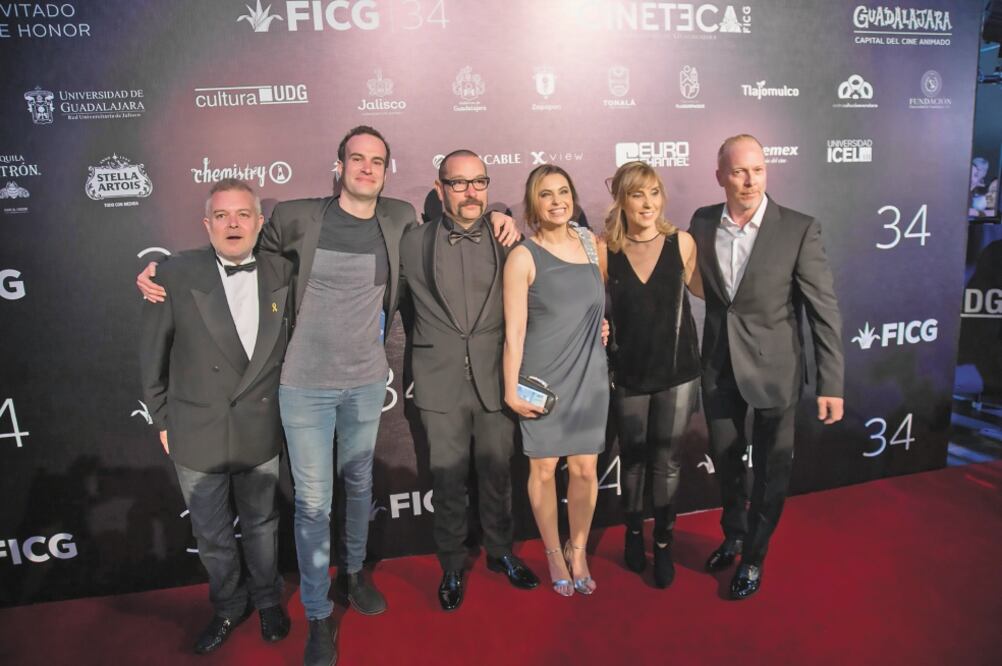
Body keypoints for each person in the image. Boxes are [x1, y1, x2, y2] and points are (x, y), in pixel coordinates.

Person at [137, 127, 518, 666]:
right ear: (338, 165)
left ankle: (356, 577)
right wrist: (167, 271)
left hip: (366, 383)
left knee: (359, 487)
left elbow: (462, 227)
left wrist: (502, 212)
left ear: (388, 170)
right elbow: (236, 253)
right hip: (302, 387)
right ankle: (318, 615)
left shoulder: (399, 217)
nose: (366, 168)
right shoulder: (296, 216)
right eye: (356, 159)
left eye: (377, 161)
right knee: (314, 505)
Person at [139, 179, 293, 655]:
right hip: (195, 430)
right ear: (207, 225)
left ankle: (268, 599)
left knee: (263, 526)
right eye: (222, 216)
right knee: (211, 534)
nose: (233, 224)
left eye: (243, 214)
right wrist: (164, 421)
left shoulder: (284, 271)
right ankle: (229, 606)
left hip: (260, 428)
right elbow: (151, 359)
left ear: (259, 222)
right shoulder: (173, 273)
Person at [690, 134, 845, 600]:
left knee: (773, 472)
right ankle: (734, 533)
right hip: (718, 367)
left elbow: (823, 310)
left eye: (757, 169)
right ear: (720, 176)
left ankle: (754, 556)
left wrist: (830, 382)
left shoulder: (798, 228)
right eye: (738, 171)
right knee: (727, 461)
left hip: (776, 371)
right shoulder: (700, 221)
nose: (749, 180)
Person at [398, 150, 539, 612]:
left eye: (479, 182)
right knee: (448, 480)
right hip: (438, 383)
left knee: (499, 475)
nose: (471, 191)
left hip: (496, 378)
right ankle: (452, 565)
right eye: (458, 183)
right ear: (440, 190)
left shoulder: (508, 240)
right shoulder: (412, 243)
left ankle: (501, 553)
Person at [503, 165, 608, 596]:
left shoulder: (591, 244)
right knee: (543, 469)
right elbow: (514, 332)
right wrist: (510, 388)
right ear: (533, 205)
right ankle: (552, 551)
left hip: (590, 375)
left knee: (585, 470)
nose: (557, 201)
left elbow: (598, 305)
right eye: (546, 195)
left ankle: (578, 548)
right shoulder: (523, 256)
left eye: (563, 191)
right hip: (542, 378)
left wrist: (606, 328)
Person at [603, 161, 702, 588]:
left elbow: (711, 290)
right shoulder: (604, 249)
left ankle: (663, 542)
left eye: (654, 193)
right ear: (621, 200)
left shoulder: (682, 243)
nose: (648, 203)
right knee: (634, 462)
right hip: (628, 371)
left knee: (667, 463)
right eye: (637, 194)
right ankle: (632, 531)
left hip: (678, 372)